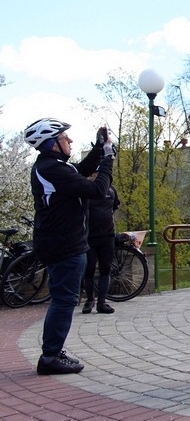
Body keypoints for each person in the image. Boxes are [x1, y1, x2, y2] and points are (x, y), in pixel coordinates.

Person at [24, 119, 115, 375]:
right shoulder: (52, 169)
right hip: (64, 245)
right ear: (52, 143)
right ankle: (50, 356)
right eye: (65, 137)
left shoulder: (55, 167)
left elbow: (83, 170)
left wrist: (99, 148)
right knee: (64, 301)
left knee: (64, 300)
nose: (70, 141)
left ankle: (53, 351)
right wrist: (108, 160)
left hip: (65, 243)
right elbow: (98, 189)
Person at [82, 174, 121, 314]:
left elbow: (115, 207)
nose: (96, 176)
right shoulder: (87, 190)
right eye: (93, 173)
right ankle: (89, 300)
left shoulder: (111, 190)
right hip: (90, 237)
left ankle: (102, 302)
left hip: (107, 236)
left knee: (106, 269)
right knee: (89, 269)